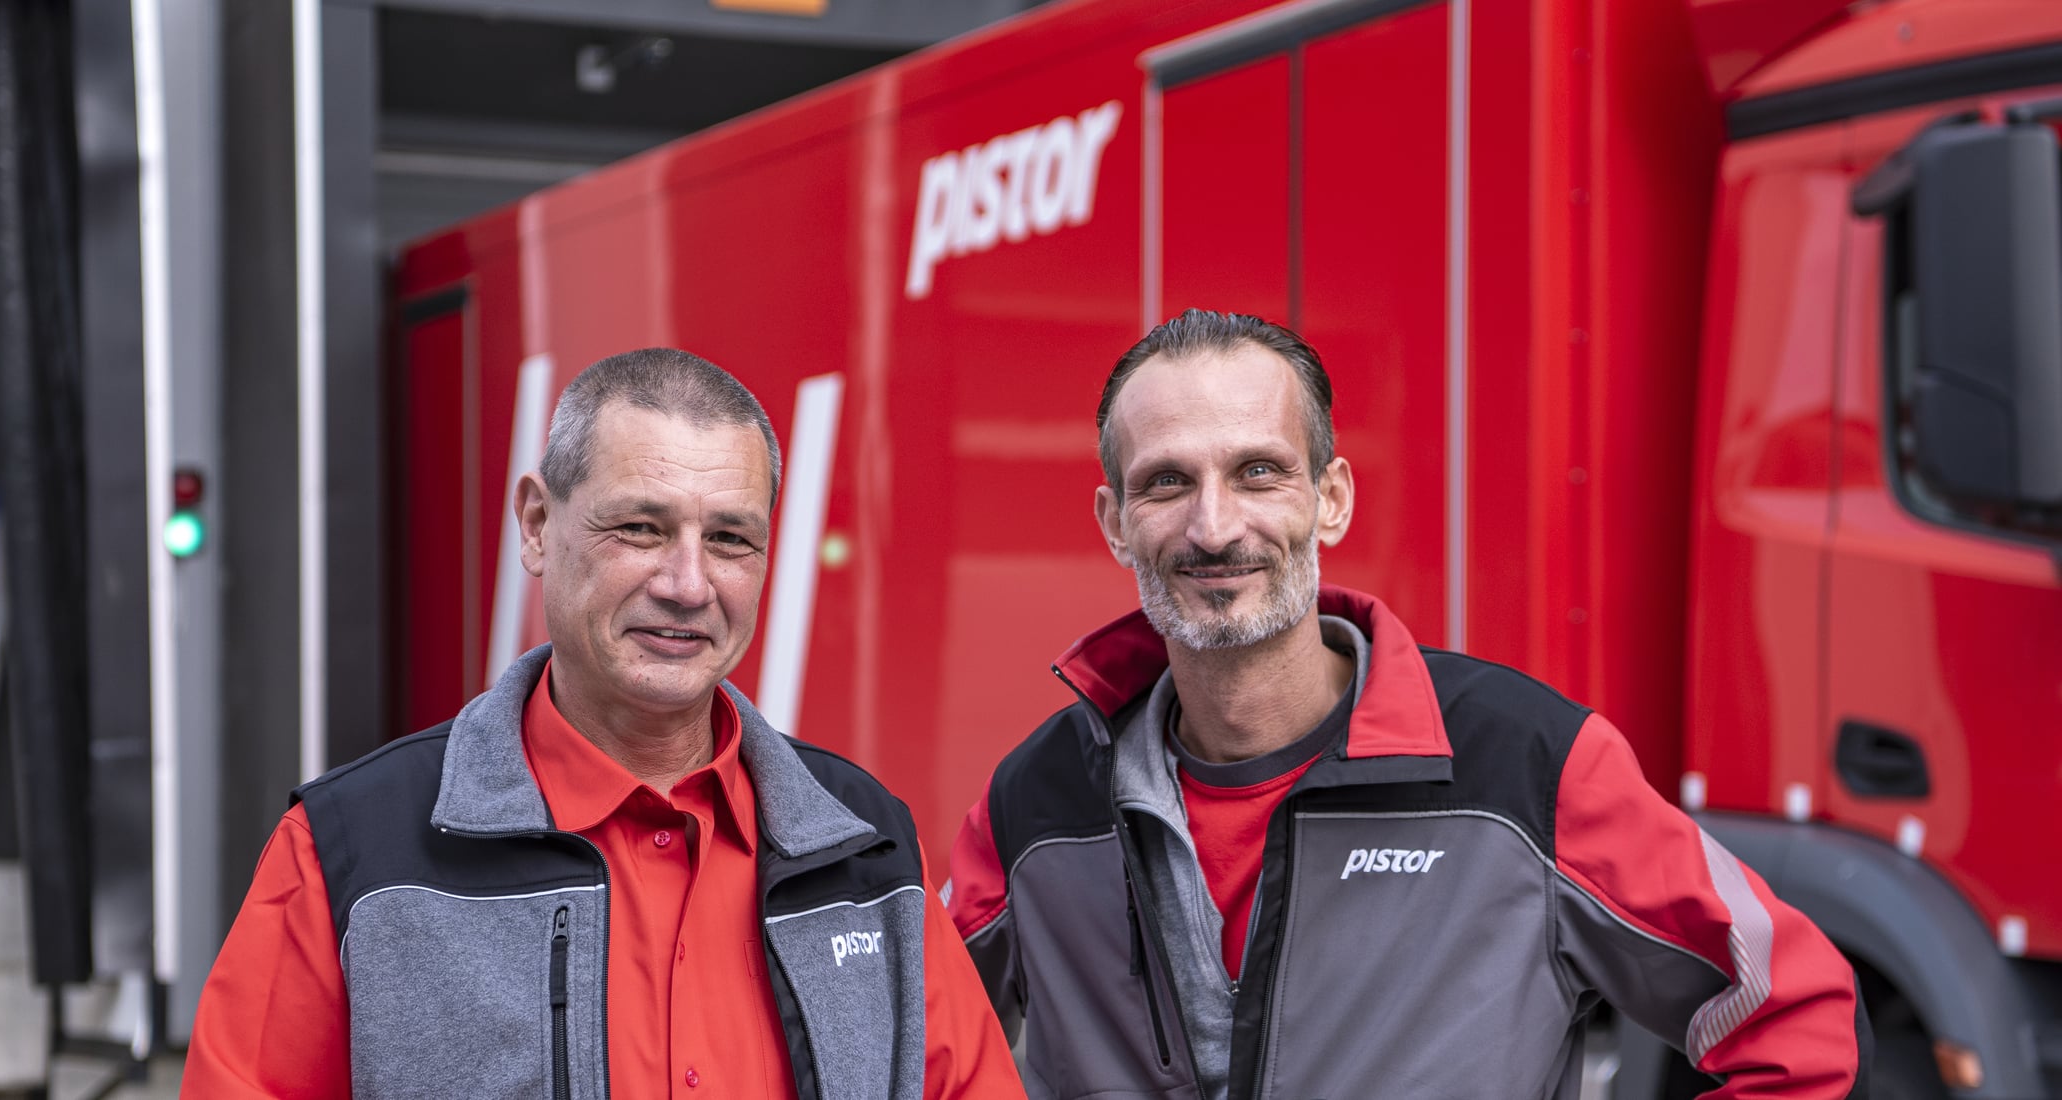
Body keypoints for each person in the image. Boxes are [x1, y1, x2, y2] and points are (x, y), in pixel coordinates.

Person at [945, 310, 1869, 1098]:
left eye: (1259, 472)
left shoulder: (1526, 767)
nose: (1215, 526)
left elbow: (1792, 1013)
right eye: (1168, 482)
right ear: (1115, 523)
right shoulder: (1038, 804)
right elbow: (895, 1044)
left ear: (1332, 499)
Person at [186, 348, 1022, 1099]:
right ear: (538, 526)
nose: (689, 584)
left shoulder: (866, 847)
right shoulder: (351, 855)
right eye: (641, 528)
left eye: (730, 538)